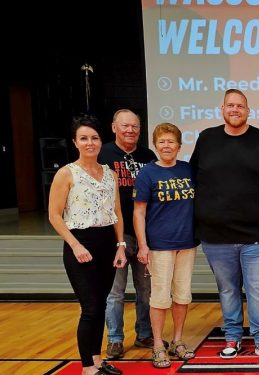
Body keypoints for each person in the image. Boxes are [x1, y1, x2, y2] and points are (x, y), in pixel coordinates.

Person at [190, 89, 259, 362]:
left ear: (248, 110)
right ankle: (232, 337)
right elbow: (195, 181)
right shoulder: (206, 139)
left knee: (258, 290)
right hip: (216, 237)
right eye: (230, 105)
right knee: (228, 290)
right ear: (222, 109)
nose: (235, 110)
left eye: (240, 106)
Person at [48, 115, 128, 375]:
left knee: (102, 305)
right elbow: (54, 215)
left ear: (100, 141)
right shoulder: (66, 173)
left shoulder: (110, 174)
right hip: (80, 243)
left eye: (94, 138)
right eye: (84, 138)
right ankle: (86, 368)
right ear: (75, 142)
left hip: (107, 242)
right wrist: (74, 245)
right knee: (90, 307)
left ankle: (96, 360)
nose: (90, 142)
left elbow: (116, 211)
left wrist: (120, 245)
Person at [133, 123, 199, 368]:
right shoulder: (147, 173)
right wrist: (142, 245)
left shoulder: (188, 170)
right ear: (155, 145)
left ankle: (178, 341)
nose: (167, 146)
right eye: (162, 142)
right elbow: (139, 213)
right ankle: (158, 344)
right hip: (159, 245)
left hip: (187, 243)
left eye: (171, 141)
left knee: (182, 296)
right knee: (160, 298)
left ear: (180, 146)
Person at [99, 109, 160, 358]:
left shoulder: (148, 156)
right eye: (125, 126)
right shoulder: (102, 154)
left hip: (145, 234)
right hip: (115, 235)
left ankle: (144, 334)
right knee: (115, 292)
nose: (130, 130)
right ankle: (114, 339)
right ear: (114, 127)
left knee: (146, 290)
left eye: (135, 126)